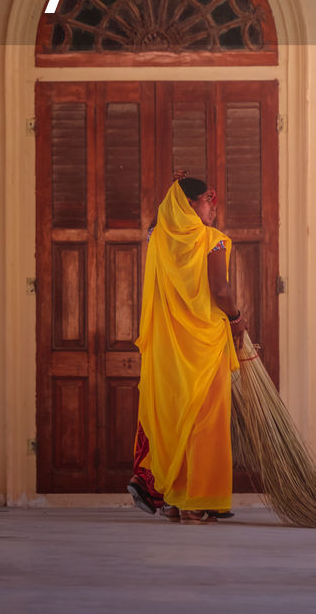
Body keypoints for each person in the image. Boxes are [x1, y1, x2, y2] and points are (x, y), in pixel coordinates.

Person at [127, 176, 248, 523]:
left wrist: (173, 193)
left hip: (168, 349)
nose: (213, 209)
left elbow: (157, 223)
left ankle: (175, 499)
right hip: (204, 347)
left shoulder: (157, 240)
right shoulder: (212, 241)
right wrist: (237, 319)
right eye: (208, 202)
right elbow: (221, 292)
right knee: (204, 423)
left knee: (175, 419)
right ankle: (197, 500)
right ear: (191, 205)